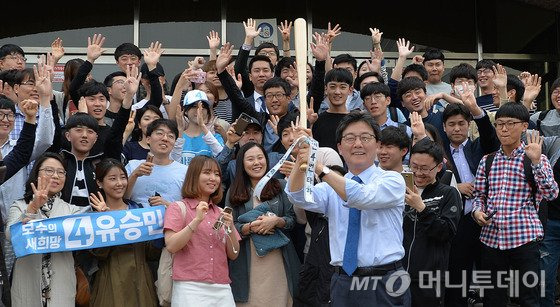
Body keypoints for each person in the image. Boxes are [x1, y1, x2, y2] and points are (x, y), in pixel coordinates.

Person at [286, 111, 410, 306]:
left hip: (385, 280)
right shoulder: (330, 187)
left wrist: (318, 166)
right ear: (340, 148)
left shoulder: (392, 180)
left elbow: (361, 196)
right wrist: (301, 156)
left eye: (365, 137)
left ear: (377, 145)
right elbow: (299, 196)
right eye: (350, 138)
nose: (358, 144)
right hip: (342, 281)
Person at [471, 102, 559, 307]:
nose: (504, 128)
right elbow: (479, 195)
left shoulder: (535, 157)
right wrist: (477, 212)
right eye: (500, 123)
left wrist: (536, 162)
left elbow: (552, 193)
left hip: (524, 238)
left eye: (510, 123)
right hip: (491, 238)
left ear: (524, 126)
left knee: (529, 297)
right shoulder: (488, 160)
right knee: (493, 297)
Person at [6, 153, 92, 307]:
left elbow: (87, 235)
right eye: (49, 171)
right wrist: (32, 207)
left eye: (60, 172)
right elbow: (11, 235)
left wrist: (102, 215)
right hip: (27, 284)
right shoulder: (20, 205)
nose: (56, 176)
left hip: (61, 287)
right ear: (36, 173)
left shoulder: (72, 210)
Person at [226, 142, 300, 306]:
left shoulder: (280, 186)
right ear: (242, 164)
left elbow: (292, 219)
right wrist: (250, 227)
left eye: (260, 158)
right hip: (247, 258)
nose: (256, 163)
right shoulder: (234, 191)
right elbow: (229, 225)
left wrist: (276, 221)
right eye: (250, 159)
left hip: (277, 258)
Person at [163, 155, 240, 307]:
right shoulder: (178, 207)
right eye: (207, 172)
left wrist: (230, 228)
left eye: (217, 174)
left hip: (222, 286)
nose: (213, 178)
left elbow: (234, 254)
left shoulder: (221, 212)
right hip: (189, 286)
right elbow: (171, 245)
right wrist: (196, 220)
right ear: (193, 175)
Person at [88, 159, 160, 307]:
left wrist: (160, 234)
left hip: (141, 279)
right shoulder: (94, 216)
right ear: (99, 183)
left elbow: (151, 253)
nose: (119, 183)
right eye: (112, 179)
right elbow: (98, 254)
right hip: (110, 281)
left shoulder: (138, 210)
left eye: (122, 177)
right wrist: (105, 220)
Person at [403, 138, 462, 306]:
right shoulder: (399, 189)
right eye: (414, 167)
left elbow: (446, 232)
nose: (418, 173)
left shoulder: (448, 193)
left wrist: (422, 209)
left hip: (429, 278)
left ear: (438, 167)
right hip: (397, 274)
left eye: (424, 168)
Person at [125, 119, 188, 207]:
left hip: (169, 219)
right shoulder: (133, 166)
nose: (165, 138)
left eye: (170, 136)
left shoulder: (185, 171)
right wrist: (134, 175)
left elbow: (190, 208)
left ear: (174, 143)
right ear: (148, 139)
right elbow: (121, 199)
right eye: (159, 133)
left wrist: (168, 205)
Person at [179, 90, 224, 165]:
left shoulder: (215, 137)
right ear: (185, 111)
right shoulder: (177, 137)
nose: (199, 110)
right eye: (194, 106)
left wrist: (202, 126)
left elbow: (222, 157)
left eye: (203, 107)